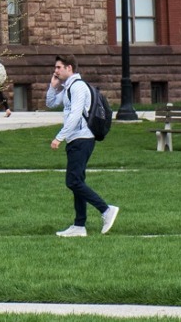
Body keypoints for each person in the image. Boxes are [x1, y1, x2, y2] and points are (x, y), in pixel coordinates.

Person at [44, 54, 117, 237]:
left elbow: (76, 115)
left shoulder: (78, 87)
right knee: (77, 181)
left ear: (69, 68)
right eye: (56, 68)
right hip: (75, 139)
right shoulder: (68, 87)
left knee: (73, 181)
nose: (56, 71)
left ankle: (106, 210)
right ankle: (79, 226)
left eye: (59, 67)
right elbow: (50, 102)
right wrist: (52, 87)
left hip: (82, 139)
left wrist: (59, 137)